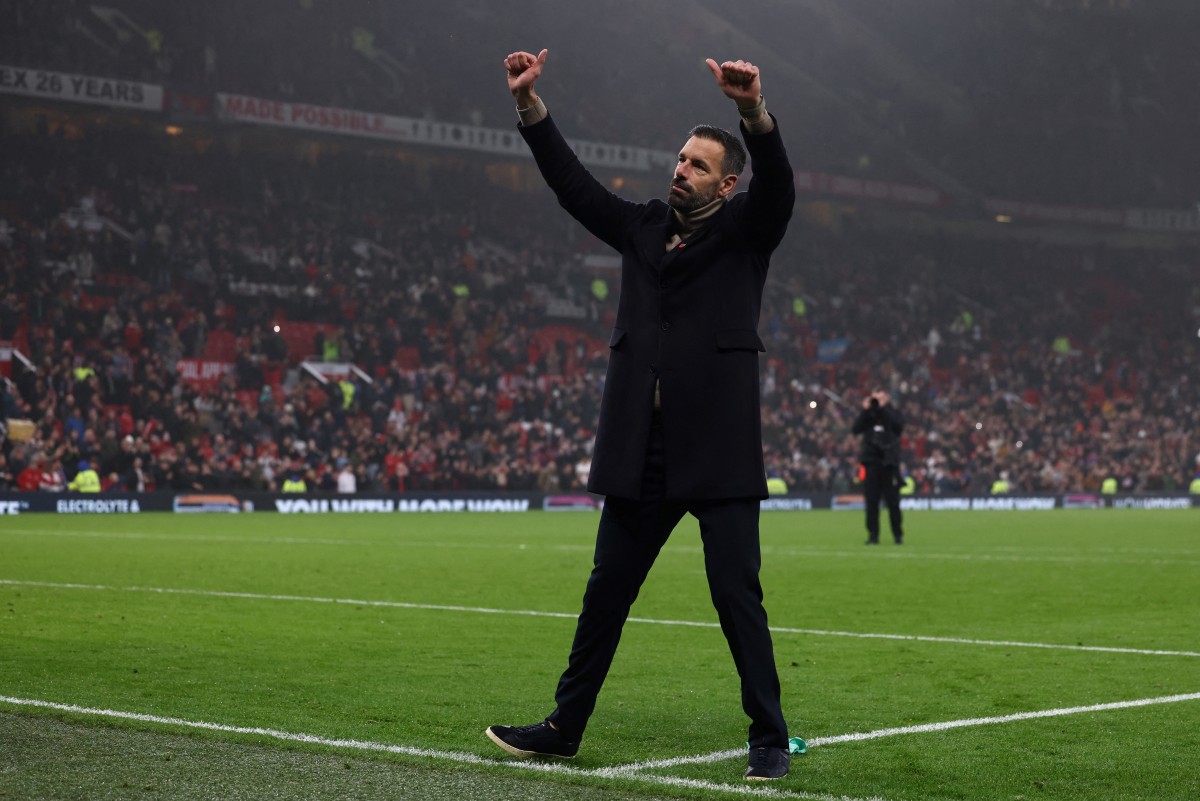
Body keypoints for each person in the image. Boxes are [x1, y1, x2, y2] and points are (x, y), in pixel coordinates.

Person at [486, 49, 795, 781]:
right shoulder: (643, 227)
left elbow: (779, 184)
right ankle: (564, 725)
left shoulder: (748, 231)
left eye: (696, 163)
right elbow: (574, 187)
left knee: (735, 596)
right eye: (679, 158)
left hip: (716, 450)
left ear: (727, 180)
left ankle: (770, 737)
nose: (680, 168)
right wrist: (531, 105)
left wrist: (753, 114)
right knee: (606, 591)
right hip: (641, 447)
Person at [851, 390, 904, 545]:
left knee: (893, 503)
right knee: (871, 502)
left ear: (887, 399)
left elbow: (898, 428)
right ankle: (873, 535)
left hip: (889, 464)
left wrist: (883, 410)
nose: (877, 401)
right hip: (872, 463)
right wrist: (866, 410)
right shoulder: (869, 416)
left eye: (881, 398)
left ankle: (897, 534)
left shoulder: (893, 413)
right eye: (875, 398)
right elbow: (855, 429)